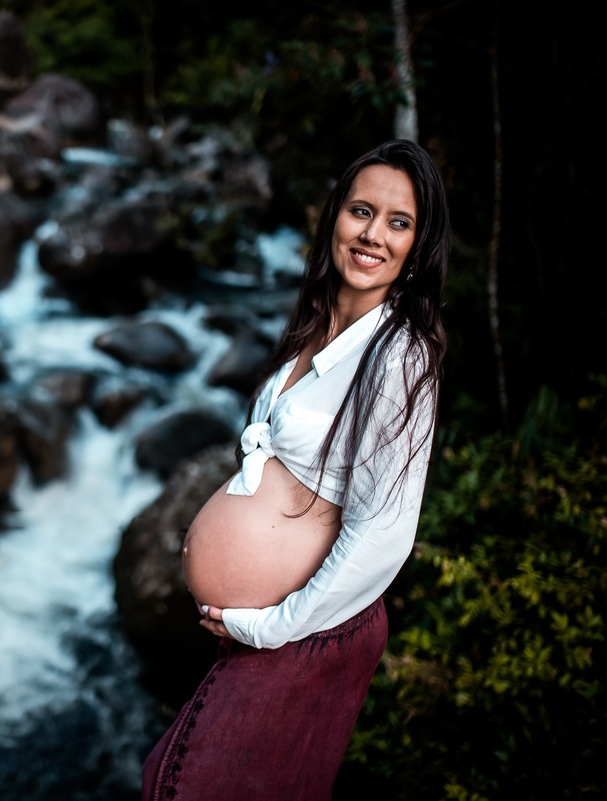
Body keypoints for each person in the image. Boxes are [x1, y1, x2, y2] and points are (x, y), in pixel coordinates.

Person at [141, 139, 449, 800]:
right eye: (361, 211)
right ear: (334, 215)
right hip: (279, 629)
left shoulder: (399, 354)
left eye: (399, 222)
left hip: (311, 629)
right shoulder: (316, 321)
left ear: (419, 245)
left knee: (182, 787)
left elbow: (384, 530)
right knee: (170, 777)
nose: (373, 235)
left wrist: (271, 624)